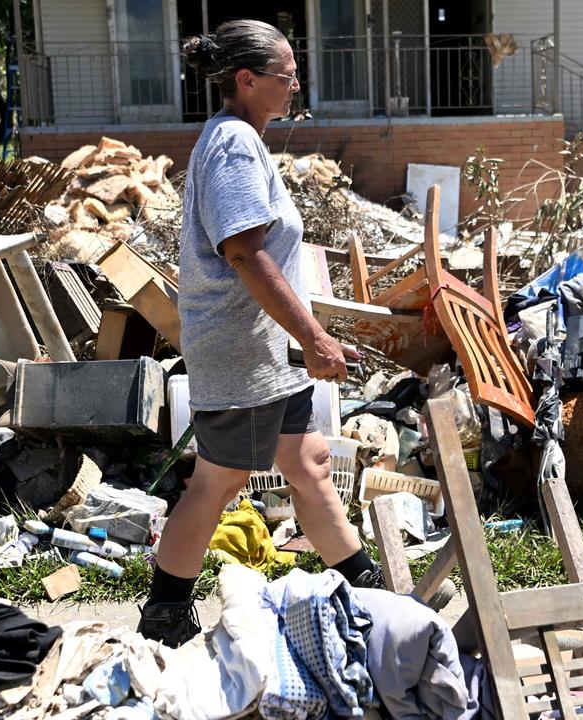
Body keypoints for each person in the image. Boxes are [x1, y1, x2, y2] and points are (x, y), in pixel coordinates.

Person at [136, 19, 384, 648]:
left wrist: (301, 339)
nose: (296, 83)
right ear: (246, 80)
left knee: (307, 464)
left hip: (269, 353)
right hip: (244, 352)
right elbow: (245, 252)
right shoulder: (233, 146)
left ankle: (367, 590)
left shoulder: (242, 140)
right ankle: (164, 609)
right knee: (219, 481)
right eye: (285, 74)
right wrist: (316, 339)